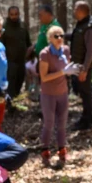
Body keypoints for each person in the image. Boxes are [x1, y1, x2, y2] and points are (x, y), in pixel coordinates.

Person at [37, 26, 71, 167]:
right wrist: (63, 72)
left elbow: (67, 69)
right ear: (49, 38)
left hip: (62, 92)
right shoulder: (45, 54)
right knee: (49, 123)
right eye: (56, 36)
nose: (59, 38)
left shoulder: (66, 50)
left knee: (62, 124)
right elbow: (44, 77)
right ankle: (45, 152)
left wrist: (71, 71)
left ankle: (62, 152)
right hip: (48, 94)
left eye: (61, 35)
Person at [70, 1, 92, 130]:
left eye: (75, 9)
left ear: (81, 10)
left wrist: (84, 69)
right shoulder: (82, 24)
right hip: (80, 66)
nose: (73, 11)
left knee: (86, 92)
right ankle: (85, 118)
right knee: (83, 92)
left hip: (85, 68)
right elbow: (75, 39)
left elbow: (90, 50)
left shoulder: (90, 27)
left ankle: (88, 121)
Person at [2, 6, 32, 105]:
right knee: (11, 86)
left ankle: (15, 103)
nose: (14, 16)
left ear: (19, 14)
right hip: (9, 62)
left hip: (21, 61)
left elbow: (28, 43)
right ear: (8, 15)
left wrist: (30, 57)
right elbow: (0, 45)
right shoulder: (4, 27)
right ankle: (10, 106)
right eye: (12, 14)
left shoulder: (23, 26)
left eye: (16, 14)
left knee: (19, 83)